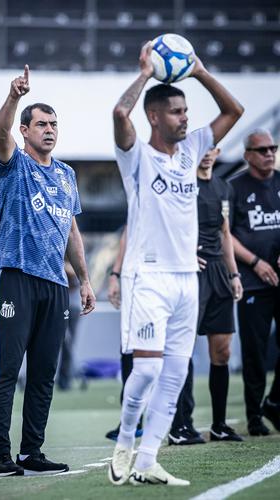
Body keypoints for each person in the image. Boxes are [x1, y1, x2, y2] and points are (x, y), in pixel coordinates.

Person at [109, 42, 243, 487]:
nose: (185, 117)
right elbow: (119, 115)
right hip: (147, 276)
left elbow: (234, 110)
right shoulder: (136, 157)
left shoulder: (195, 147)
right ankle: (126, 441)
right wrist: (146, 73)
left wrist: (200, 72)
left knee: (176, 373)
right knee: (146, 369)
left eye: (186, 110)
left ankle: (147, 461)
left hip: (190, 278)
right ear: (154, 117)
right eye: (176, 112)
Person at [0, 65, 95, 478]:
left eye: (54, 124)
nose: (49, 130)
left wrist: (84, 279)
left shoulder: (67, 175)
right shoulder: (14, 163)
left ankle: (32, 451)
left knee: (45, 373)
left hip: (55, 283)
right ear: (26, 131)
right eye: (41, 124)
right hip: (15, 276)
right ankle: (0, 455)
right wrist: (14, 97)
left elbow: (71, 229)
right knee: (7, 370)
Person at [168, 147, 244, 446]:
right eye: (203, 148)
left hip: (219, 274)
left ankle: (220, 425)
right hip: (190, 272)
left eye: (213, 148)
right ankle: (181, 425)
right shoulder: (181, 183)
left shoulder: (224, 187)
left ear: (218, 151)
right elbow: (167, 225)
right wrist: (183, 254)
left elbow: (226, 232)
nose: (208, 154)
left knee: (222, 351)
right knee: (183, 348)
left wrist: (234, 273)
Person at [230, 129, 280, 436]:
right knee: (254, 352)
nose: (269, 153)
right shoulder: (234, 187)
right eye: (262, 150)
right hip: (252, 282)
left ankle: (274, 402)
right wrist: (255, 262)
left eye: (273, 148)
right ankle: (253, 416)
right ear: (248, 154)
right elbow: (226, 235)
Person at [105, 227, 143, 441]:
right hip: (134, 279)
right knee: (130, 350)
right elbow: (129, 231)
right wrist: (115, 274)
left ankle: (179, 422)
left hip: (160, 279)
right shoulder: (139, 197)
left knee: (159, 354)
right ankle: (131, 420)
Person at [56, 259, 81, 391]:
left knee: (68, 344)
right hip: (58, 307)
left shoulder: (77, 262)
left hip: (73, 307)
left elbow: (76, 278)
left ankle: (65, 379)